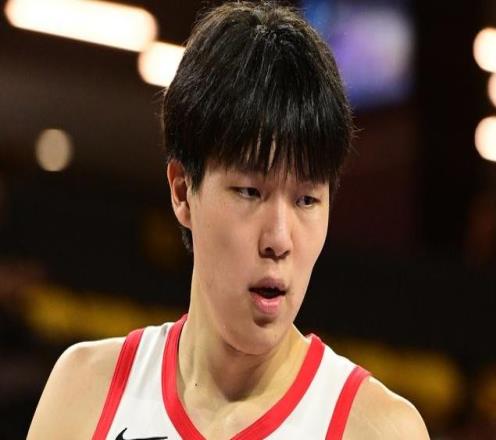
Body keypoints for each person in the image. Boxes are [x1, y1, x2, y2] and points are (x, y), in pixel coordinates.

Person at [27, 1, 430, 439]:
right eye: (250, 192)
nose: (279, 238)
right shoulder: (85, 392)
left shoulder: (377, 429)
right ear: (183, 191)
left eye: (306, 200)